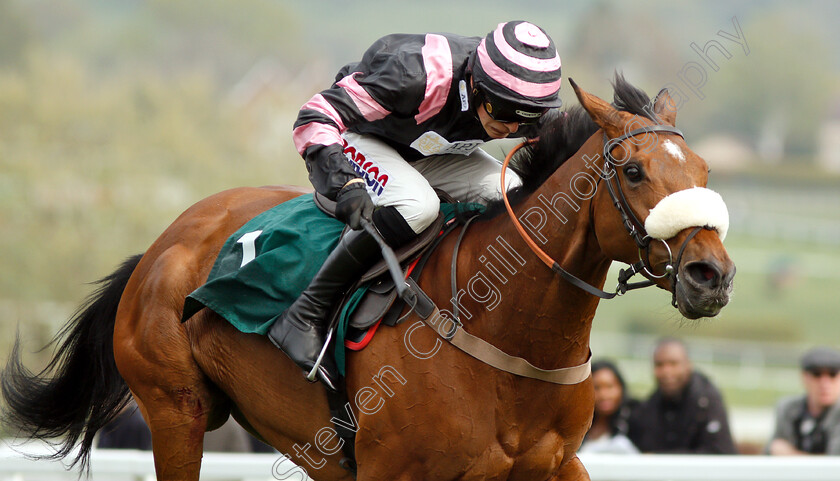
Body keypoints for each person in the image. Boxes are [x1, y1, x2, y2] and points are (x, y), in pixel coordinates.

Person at [267, 21, 563, 389]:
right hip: (361, 135)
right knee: (417, 205)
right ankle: (304, 314)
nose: (510, 127)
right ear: (475, 82)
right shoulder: (413, 74)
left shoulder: (521, 101)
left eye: (523, 116)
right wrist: (345, 182)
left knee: (515, 194)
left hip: (426, 146)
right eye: (502, 111)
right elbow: (315, 115)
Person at [628, 337, 737, 454]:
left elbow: (719, 452)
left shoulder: (706, 400)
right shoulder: (651, 405)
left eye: (673, 364)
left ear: (688, 365)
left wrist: (660, 458)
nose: (666, 372)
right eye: (659, 365)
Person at [767, 346, 840, 455]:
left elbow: (834, 464)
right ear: (804, 377)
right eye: (817, 374)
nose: (824, 384)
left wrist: (791, 455)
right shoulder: (788, 409)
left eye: (832, 375)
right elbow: (771, 452)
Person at [580, 359, 639, 454]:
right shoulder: (579, 426)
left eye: (610, 386)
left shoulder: (637, 418)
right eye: (596, 388)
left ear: (621, 388)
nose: (604, 395)